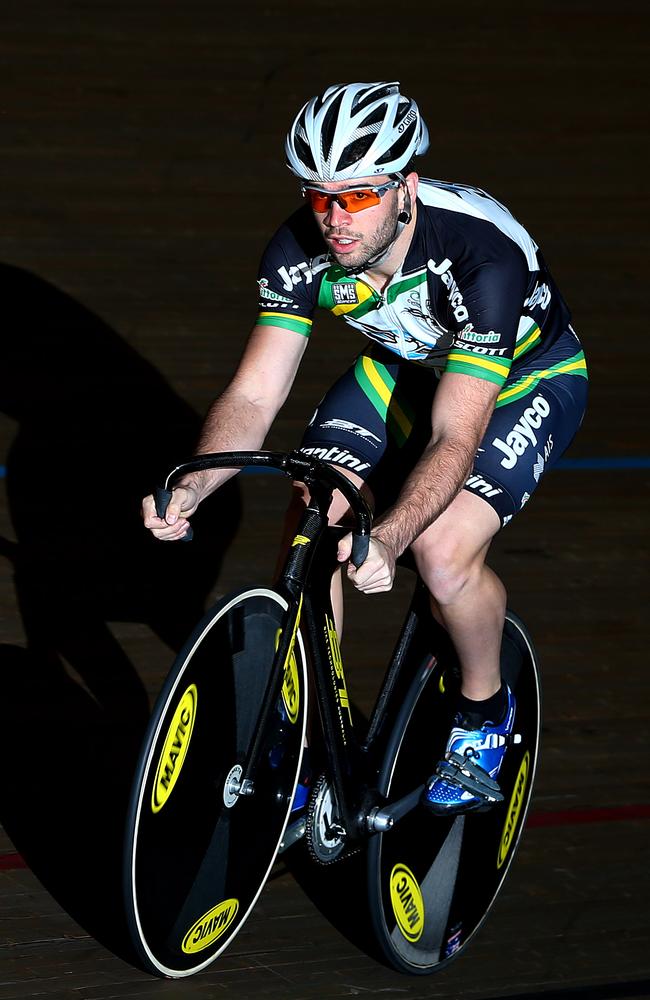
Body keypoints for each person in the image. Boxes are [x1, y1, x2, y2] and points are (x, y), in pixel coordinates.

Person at [142, 82, 587, 814]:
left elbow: (456, 432)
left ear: (406, 187)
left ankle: (483, 712)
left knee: (442, 554)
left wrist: (392, 536)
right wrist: (195, 483)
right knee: (315, 512)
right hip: (406, 369)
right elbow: (255, 395)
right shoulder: (299, 247)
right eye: (320, 197)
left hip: (521, 382)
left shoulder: (482, 255)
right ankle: (310, 723)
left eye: (357, 197)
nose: (335, 220)